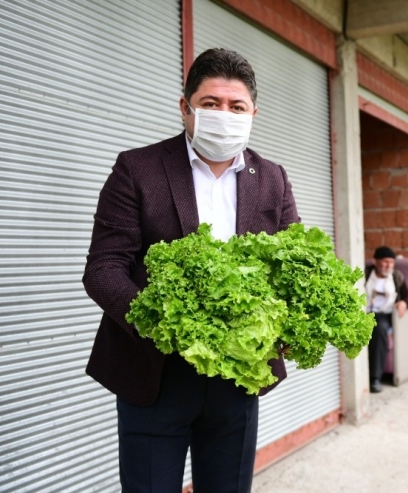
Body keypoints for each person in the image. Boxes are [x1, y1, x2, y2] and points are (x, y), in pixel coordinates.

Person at [82, 48, 299, 493]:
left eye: (236, 107)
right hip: (153, 373)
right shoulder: (137, 169)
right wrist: (167, 327)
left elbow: (296, 268)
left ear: (253, 113)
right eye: (210, 104)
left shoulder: (273, 178)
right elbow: (104, 269)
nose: (225, 114)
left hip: (238, 376)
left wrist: (289, 325)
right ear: (186, 108)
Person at [364, 246, 408, 393]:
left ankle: (375, 378)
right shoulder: (365, 274)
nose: (388, 266)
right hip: (364, 313)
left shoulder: (396, 277)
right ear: (375, 261)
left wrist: (404, 303)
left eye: (391, 262)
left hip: (386, 315)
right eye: (385, 262)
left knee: (379, 329)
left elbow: (407, 298)